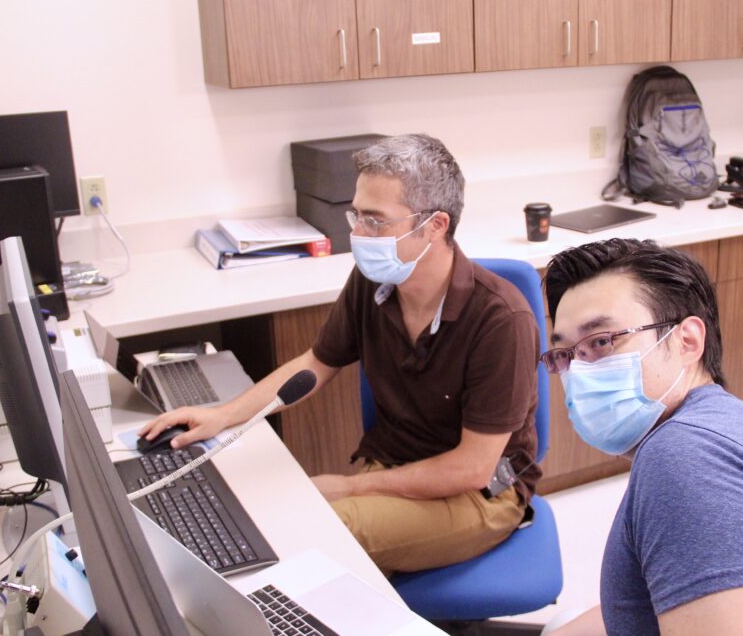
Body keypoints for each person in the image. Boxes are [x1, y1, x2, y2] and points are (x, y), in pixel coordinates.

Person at [139, 133, 541, 574]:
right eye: (356, 215)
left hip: (479, 495)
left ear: (435, 225)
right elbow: (315, 363)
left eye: (374, 221)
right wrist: (223, 416)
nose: (356, 234)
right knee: (270, 515)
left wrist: (350, 489)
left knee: (313, 534)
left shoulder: (501, 319)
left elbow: (471, 469)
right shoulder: (374, 282)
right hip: (395, 467)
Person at [541, 239, 743, 636]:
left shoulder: (687, 461)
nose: (580, 373)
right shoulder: (716, 416)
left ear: (687, 341)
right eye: (565, 354)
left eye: (601, 342)